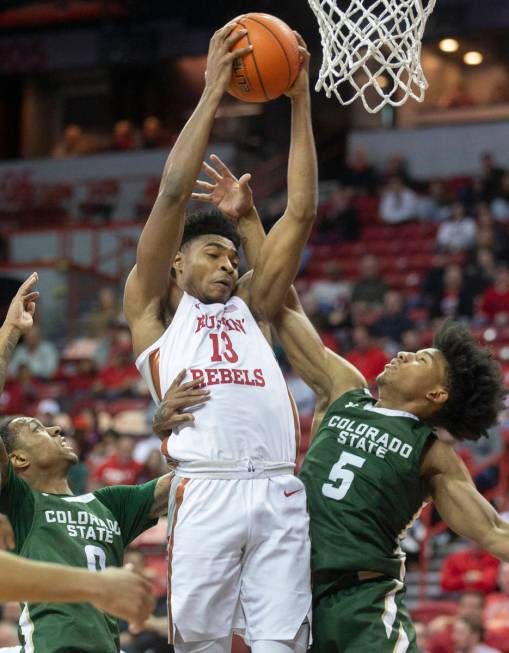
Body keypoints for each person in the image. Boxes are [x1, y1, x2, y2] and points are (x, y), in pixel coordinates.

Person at [182, 159, 508, 653]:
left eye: (420, 358)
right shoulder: (344, 390)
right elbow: (283, 305)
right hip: (291, 596)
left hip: (363, 599)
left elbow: (491, 530)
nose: (402, 353)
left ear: (437, 395)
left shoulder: (432, 455)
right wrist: (249, 220)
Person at [123, 22, 317, 653]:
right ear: (177, 264)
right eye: (214, 253)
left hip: (280, 486)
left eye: (234, 257)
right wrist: (212, 91)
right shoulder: (154, 311)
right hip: (206, 483)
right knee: (199, 644)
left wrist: (299, 97)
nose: (230, 264)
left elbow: (303, 211)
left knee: (284, 645)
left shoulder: (256, 308)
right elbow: (174, 192)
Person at [0, 275, 174, 653]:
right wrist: (10, 332)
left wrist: (174, 429)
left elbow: (192, 481)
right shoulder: (20, 505)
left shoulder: (110, 503)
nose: (55, 428)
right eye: (36, 428)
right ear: (18, 459)